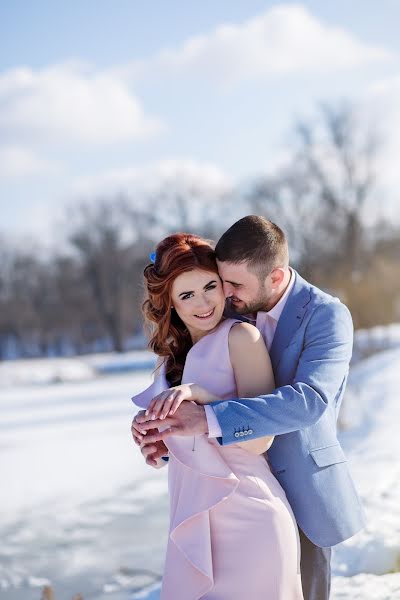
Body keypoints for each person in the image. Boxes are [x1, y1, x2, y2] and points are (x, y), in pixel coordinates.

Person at [132, 216, 366, 600]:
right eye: (218, 281)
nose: (222, 293)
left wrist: (207, 414)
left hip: (298, 488)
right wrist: (160, 442)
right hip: (219, 500)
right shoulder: (224, 315)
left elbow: (311, 401)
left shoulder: (325, 315)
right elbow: (198, 428)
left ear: (274, 278)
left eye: (229, 285)